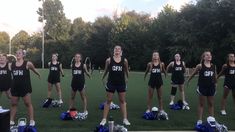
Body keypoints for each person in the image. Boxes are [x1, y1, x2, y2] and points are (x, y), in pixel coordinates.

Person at [100, 45, 130, 126]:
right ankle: (104, 119)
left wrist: (127, 79)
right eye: (115, 49)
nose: (117, 50)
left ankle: (125, 119)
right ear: (113, 51)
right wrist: (103, 78)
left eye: (119, 49)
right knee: (108, 101)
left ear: (121, 51)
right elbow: (106, 70)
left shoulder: (124, 60)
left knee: (122, 101)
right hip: (111, 83)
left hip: (121, 83)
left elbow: (127, 71)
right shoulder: (109, 60)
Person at [10, 49, 40, 126]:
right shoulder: (12, 64)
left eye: (19, 53)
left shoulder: (27, 63)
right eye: (16, 53)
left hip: (25, 87)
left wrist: (38, 74)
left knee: (28, 103)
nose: (17, 54)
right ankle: (11, 120)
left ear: (23, 55)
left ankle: (32, 120)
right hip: (15, 87)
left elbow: (34, 69)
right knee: (14, 104)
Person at [187, 51, 217, 126]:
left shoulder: (213, 66)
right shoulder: (200, 66)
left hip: (211, 87)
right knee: (201, 104)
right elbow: (193, 74)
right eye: (207, 55)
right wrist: (188, 81)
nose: (209, 56)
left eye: (210, 55)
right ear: (204, 57)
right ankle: (199, 120)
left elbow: (215, 76)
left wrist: (216, 84)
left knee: (211, 103)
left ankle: (212, 119)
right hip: (202, 87)